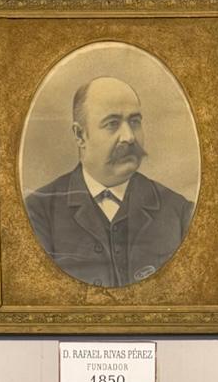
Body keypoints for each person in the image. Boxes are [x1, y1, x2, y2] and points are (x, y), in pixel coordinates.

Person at [24, 76, 194, 288]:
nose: (129, 137)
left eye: (135, 122)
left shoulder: (179, 212)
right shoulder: (38, 213)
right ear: (80, 135)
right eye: (112, 124)